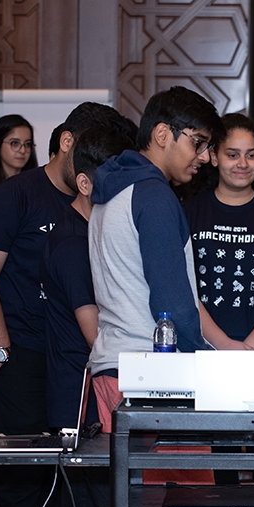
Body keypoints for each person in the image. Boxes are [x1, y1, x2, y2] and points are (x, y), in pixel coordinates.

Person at [0, 101, 134, 507]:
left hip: (76, 360)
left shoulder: (103, 206)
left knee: (79, 482)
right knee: (24, 485)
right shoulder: (17, 195)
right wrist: (1, 351)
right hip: (23, 355)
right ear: (67, 143)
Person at [30, 125, 134, 507]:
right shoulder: (72, 240)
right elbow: (96, 334)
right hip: (80, 401)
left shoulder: (99, 230)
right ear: (90, 182)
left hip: (101, 396)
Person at [89, 87, 222, 423]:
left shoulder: (112, 191)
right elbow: (171, 303)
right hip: (154, 373)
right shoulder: (154, 197)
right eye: (198, 143)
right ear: (163, 134)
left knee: (128, 478)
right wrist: (205, 359)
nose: (205, 157)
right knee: (180, 477)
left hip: (112, 366)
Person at [184, 113, 254, 354]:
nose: (243, 164)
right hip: (201, 352)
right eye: (232, 155)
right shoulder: (189, 211)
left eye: (251, 155)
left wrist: (248, 350)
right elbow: (183, 290)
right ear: (213, 157)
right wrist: (224, 346)